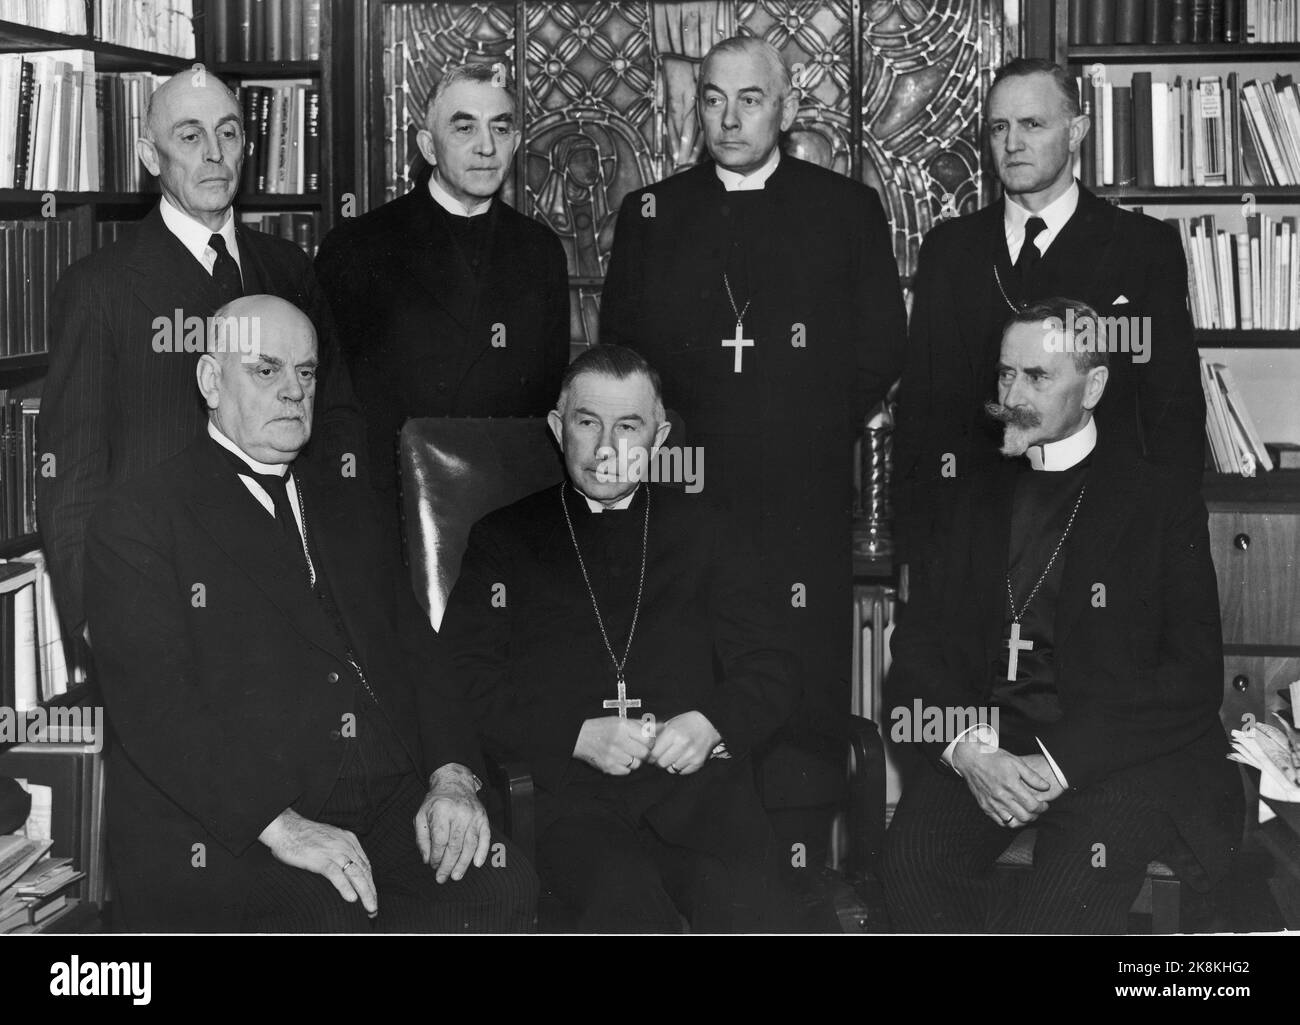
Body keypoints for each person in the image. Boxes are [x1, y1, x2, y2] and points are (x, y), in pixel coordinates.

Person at [84, 295, 536, 933]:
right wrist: (283, 827)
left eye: (307, 372)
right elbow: (158, 712)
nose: (293, 391)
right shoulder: (140, 519)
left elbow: (418, 652)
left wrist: (453, 776)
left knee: (498, 886)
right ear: (212, 381)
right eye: (266, 371)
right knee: (326, 917)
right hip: (244, 818)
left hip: (386, 795)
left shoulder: (348, 496)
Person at [599, 37, 908, 845]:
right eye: (712, 99)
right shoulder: (651, 214)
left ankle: (799, 868)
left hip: (800, 496)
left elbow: (883, 348)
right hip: (680, 497)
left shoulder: (844, 210)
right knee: (687, 681)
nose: (730, 119)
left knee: (796, 691)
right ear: (693, 105)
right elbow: (623, 359)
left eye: (751, 99)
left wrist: (799, 430)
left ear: (787, 107)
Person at [881, 298, 1240, 933]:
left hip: (1110, 760)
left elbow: (1190, 679)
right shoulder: (966, 492)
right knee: (910, 862)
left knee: (1060, 910)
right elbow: (916, 650)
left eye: (1038, 378)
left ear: (1094, 386)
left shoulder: (1158, 502)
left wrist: (1060, 763)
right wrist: (966, 751)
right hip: (991, 753)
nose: (1011, 395)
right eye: (1004, 374)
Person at [439, 345, 802, 932]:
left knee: (746, 901)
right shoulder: (505, 539)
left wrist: (712, 722)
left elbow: (772, 664)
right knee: (622, 900)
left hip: (696, 794)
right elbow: (461, 676)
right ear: (560, 429)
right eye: (588, 422)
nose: (607, 448)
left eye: (628, 426)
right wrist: (574, 735)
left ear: (658, 441)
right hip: (571, 802)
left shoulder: (707, 531)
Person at [37, 70, 362, 644]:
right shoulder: (99, 287)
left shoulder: (289, 269)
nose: (214, 154)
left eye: (228, 133)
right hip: (162, 588)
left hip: (292, 583)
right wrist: (92, 617)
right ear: (150, 155)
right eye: (189, 137)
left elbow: (337, 419)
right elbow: (73, 470)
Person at [893, 57, 1204, 584]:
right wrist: (914, 551)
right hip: (972, 538)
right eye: (999, 126)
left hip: (1100, 540)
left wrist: (1171, 553)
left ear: (1076, 131)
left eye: (1032, 124)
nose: (1012, 142)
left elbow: (1171, 411)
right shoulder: (951, 251)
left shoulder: (1141, 250)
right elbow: (923, 411)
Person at [315, 62, 570, 501]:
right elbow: (332, 404)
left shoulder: (541, 250)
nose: (486, 147)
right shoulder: (357, 247)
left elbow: (549, 400)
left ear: (517, 143)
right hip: (394, 502)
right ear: (428, 147)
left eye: (500, 128)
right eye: (464, 128)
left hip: (509, 500)